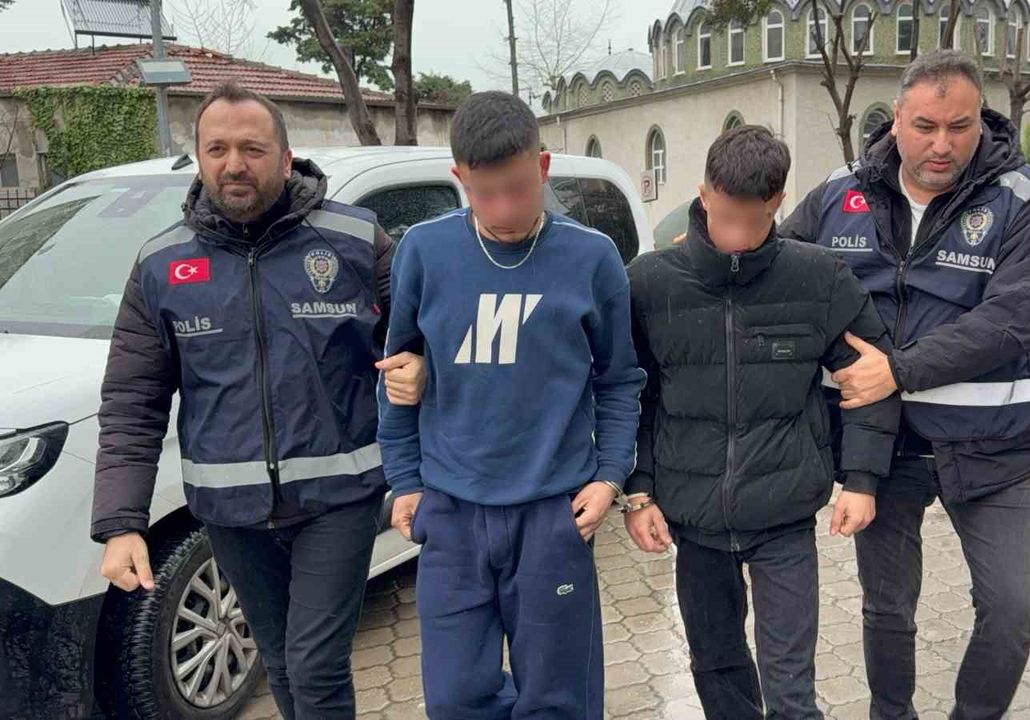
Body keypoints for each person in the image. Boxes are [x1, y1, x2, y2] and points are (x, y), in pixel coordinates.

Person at [92, 81, 426, 719]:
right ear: (199, 158)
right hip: (230, 512)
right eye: (217, 149)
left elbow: (416, 337)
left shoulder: (355, 241)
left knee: (315, 665)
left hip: (339, 498)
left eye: (252, 148)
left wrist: (422, 367)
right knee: (279, 661)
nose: (234, 164)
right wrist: (121, 522)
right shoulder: (161, 264)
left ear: (286, 156)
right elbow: (133, 400)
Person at [780, 50, 1030, 720]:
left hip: (990, 444)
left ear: (981, 121)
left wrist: (897, 369)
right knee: (887, 608)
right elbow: (780, 274)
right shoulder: (838, 194)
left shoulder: (1022, 199)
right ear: (896, 121)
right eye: (926, 126)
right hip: (881, 449)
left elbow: (1011, 318)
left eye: (959, 127)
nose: (942, 145)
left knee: (1011, 608)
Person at [377, 91, 645, 720]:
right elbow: (397, 370)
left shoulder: (592, 257)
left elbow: (619, 380)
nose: (503, 209)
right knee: (455, 699)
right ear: (459, 178)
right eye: (484, 192)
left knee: (559, 700)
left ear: (543, 167)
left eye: (519, 189)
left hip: (552, 513)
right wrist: (405, 481)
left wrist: (610, 477)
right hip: (452, 513)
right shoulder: (424, 251)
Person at [623, 126, 900, 720]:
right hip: (694, 519)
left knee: (791, 688)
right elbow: (632, 397)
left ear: (779, 202)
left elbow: (871, 379)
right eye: (726, 218)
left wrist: (862, 480)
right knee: (716, 670)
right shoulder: (648, 283)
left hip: (784, 518)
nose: (739, 237)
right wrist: (638, 491)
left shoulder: (819, 278)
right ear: (703, 194)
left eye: (756, 220)